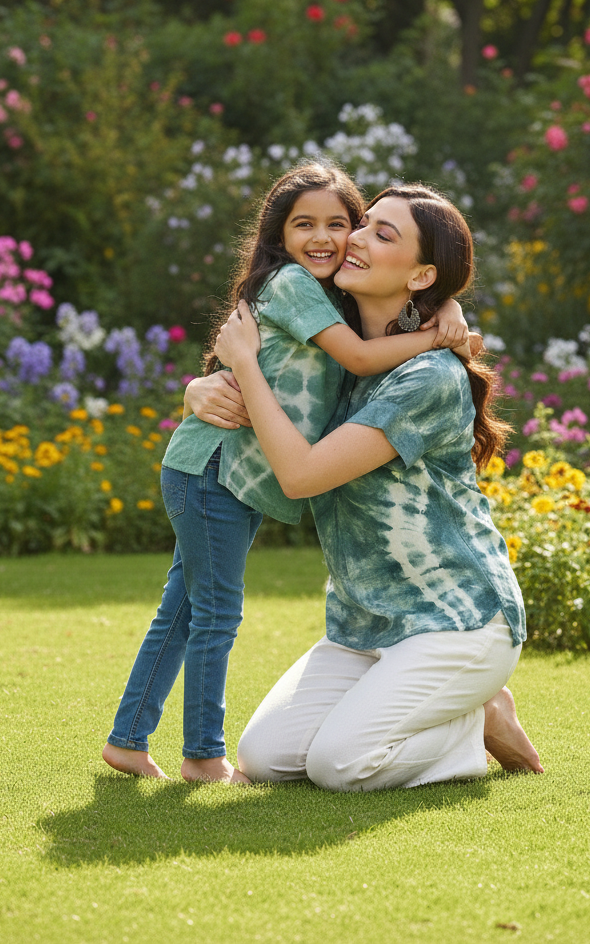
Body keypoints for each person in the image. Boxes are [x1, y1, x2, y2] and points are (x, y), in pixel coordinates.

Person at [102, 164, 470, 784]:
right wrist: (437, 336)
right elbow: (357, 356)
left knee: (186, 609)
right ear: (279, 234)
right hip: (216, 465)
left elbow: (397, 295)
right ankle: (202, 756)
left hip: (230, 474)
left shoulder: (334, 296)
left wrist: (447, 300)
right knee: (215, 613)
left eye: (340, 224)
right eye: (305, 224)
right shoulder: (294, 283)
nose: (325, 237)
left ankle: (128, 741)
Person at [212, 184, 543, 790]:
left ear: (421, 275)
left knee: (339, 765)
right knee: (263, 761)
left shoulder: (429, 378)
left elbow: (301, 473)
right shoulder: (338, 356)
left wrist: (245, 367)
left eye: (382, 234)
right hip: (363, 622)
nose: (355, 238)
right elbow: (260, 395)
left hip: (457, 618)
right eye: (362, 225)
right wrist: (199, 390)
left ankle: (477, 716)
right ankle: (441, 706)